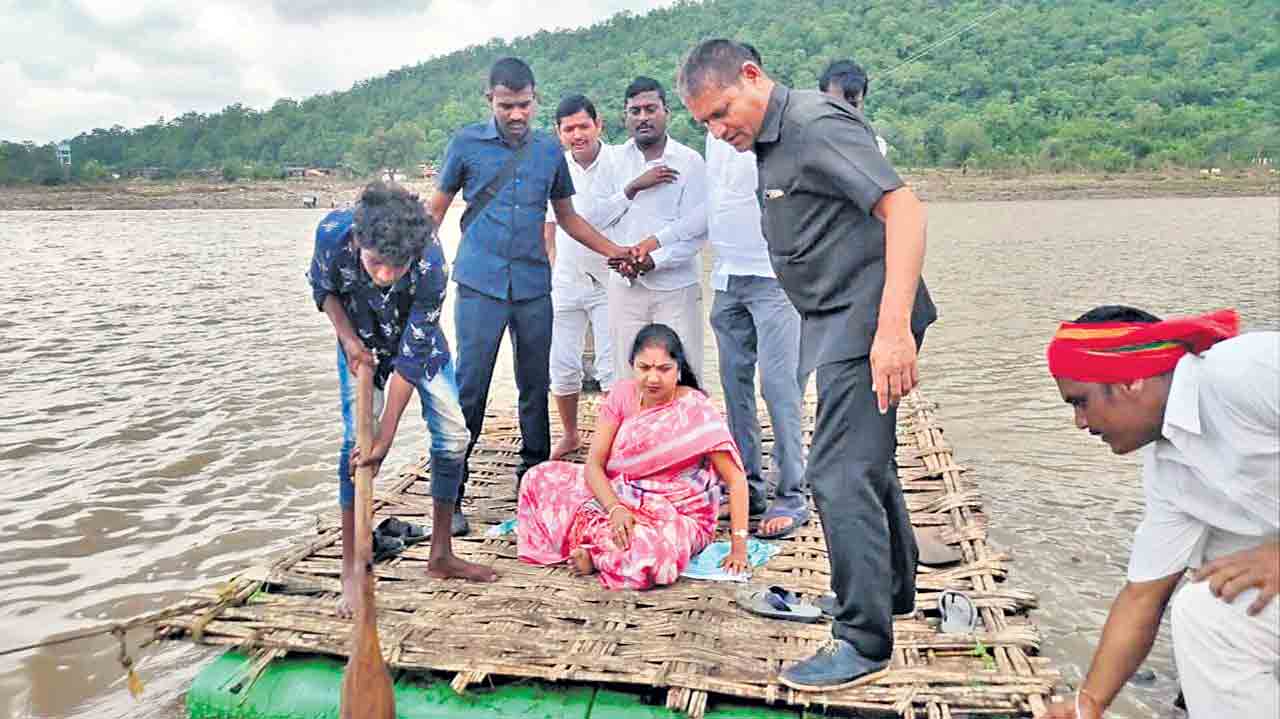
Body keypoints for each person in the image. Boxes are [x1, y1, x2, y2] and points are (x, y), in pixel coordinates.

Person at [677, 39, 937, 690]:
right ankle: (891, 591)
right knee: (867, 460)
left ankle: (861, 638)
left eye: (721, 112)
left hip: (867, 319)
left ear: (752, 76)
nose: (718, 129)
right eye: (706, 122)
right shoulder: (769, 141)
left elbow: (904, 209)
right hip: (837, 321)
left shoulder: (814, 124)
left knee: (837, 471)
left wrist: (892, 330)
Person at [429, 58, 633, 535]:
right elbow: (435, 212)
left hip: (534, 286)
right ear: (490, 101)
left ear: (535, 99)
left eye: (523, 104)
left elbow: (568, 218)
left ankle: (535, 478)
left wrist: (616, 251)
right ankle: (450, 495)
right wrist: (406, 271)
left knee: (535, 385)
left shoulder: (547, 152)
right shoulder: (465, 144)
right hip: (479, 285)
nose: (516, 114)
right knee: (470, 387)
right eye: (506, 106)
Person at [1044, 306, 1278, 719]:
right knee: (1209, 606)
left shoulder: (1246, 372)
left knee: (1209, 611)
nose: (1079, 422)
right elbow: (1144, 595)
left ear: (1130, 380)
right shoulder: (1170, 466)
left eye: (1080, 402)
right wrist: (1089, 703)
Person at [308, 181, 499, 617]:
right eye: (376, 263)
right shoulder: (333, 234)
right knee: (354, 446)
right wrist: (350, 341)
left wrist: (387, 436)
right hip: (360, 338)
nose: (385, 275)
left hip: (418, 343)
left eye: (397, 267)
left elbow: (412, 357)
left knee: (453, 436)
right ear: (359, 242)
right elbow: (323, 289)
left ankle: (441, 555)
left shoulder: (430, 260)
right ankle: (353, 569)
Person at [516, 324, 751, 590]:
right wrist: (615, 508)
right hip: (619, 494)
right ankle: (606, 539)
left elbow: (736, 480)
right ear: (632, 366)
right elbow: (594, 465)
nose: (653, 378)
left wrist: (739, 548)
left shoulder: (696, 408)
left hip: (676, 515)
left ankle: (596, 554)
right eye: (644, 368)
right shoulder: (622, 394)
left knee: (652, 553)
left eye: (664, 369)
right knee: (538, 477)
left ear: (679, 369)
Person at [583, 76, 710, 385]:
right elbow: (595, 219)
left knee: (682, 377)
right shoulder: (612, 161)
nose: (643, 117)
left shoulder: (689, 162)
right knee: (628, 377)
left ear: (666, 111)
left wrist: (653, 260)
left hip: (676, 288)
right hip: (624, 287)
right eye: (635, 111)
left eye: (650, 109)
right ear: (625, 116)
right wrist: (632, 187)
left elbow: (696, 231)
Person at [543, 94, 617, 460]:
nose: (577, 135)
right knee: (561, 366)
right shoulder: (554, 167)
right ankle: (570, 435)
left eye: (583, 126)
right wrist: (550, 271)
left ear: (598, 124)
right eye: (568, 129)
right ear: (558, 133)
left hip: (610, 281)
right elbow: (549, 229)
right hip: (565, 281)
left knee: (611, 367)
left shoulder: (620, 162)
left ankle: (612, 441)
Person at [818, 60, 888, 157]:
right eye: (835, 104)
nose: (844, 112)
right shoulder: (807, 144)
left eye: (852, 104)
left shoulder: (875, 148)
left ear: (862, 103)